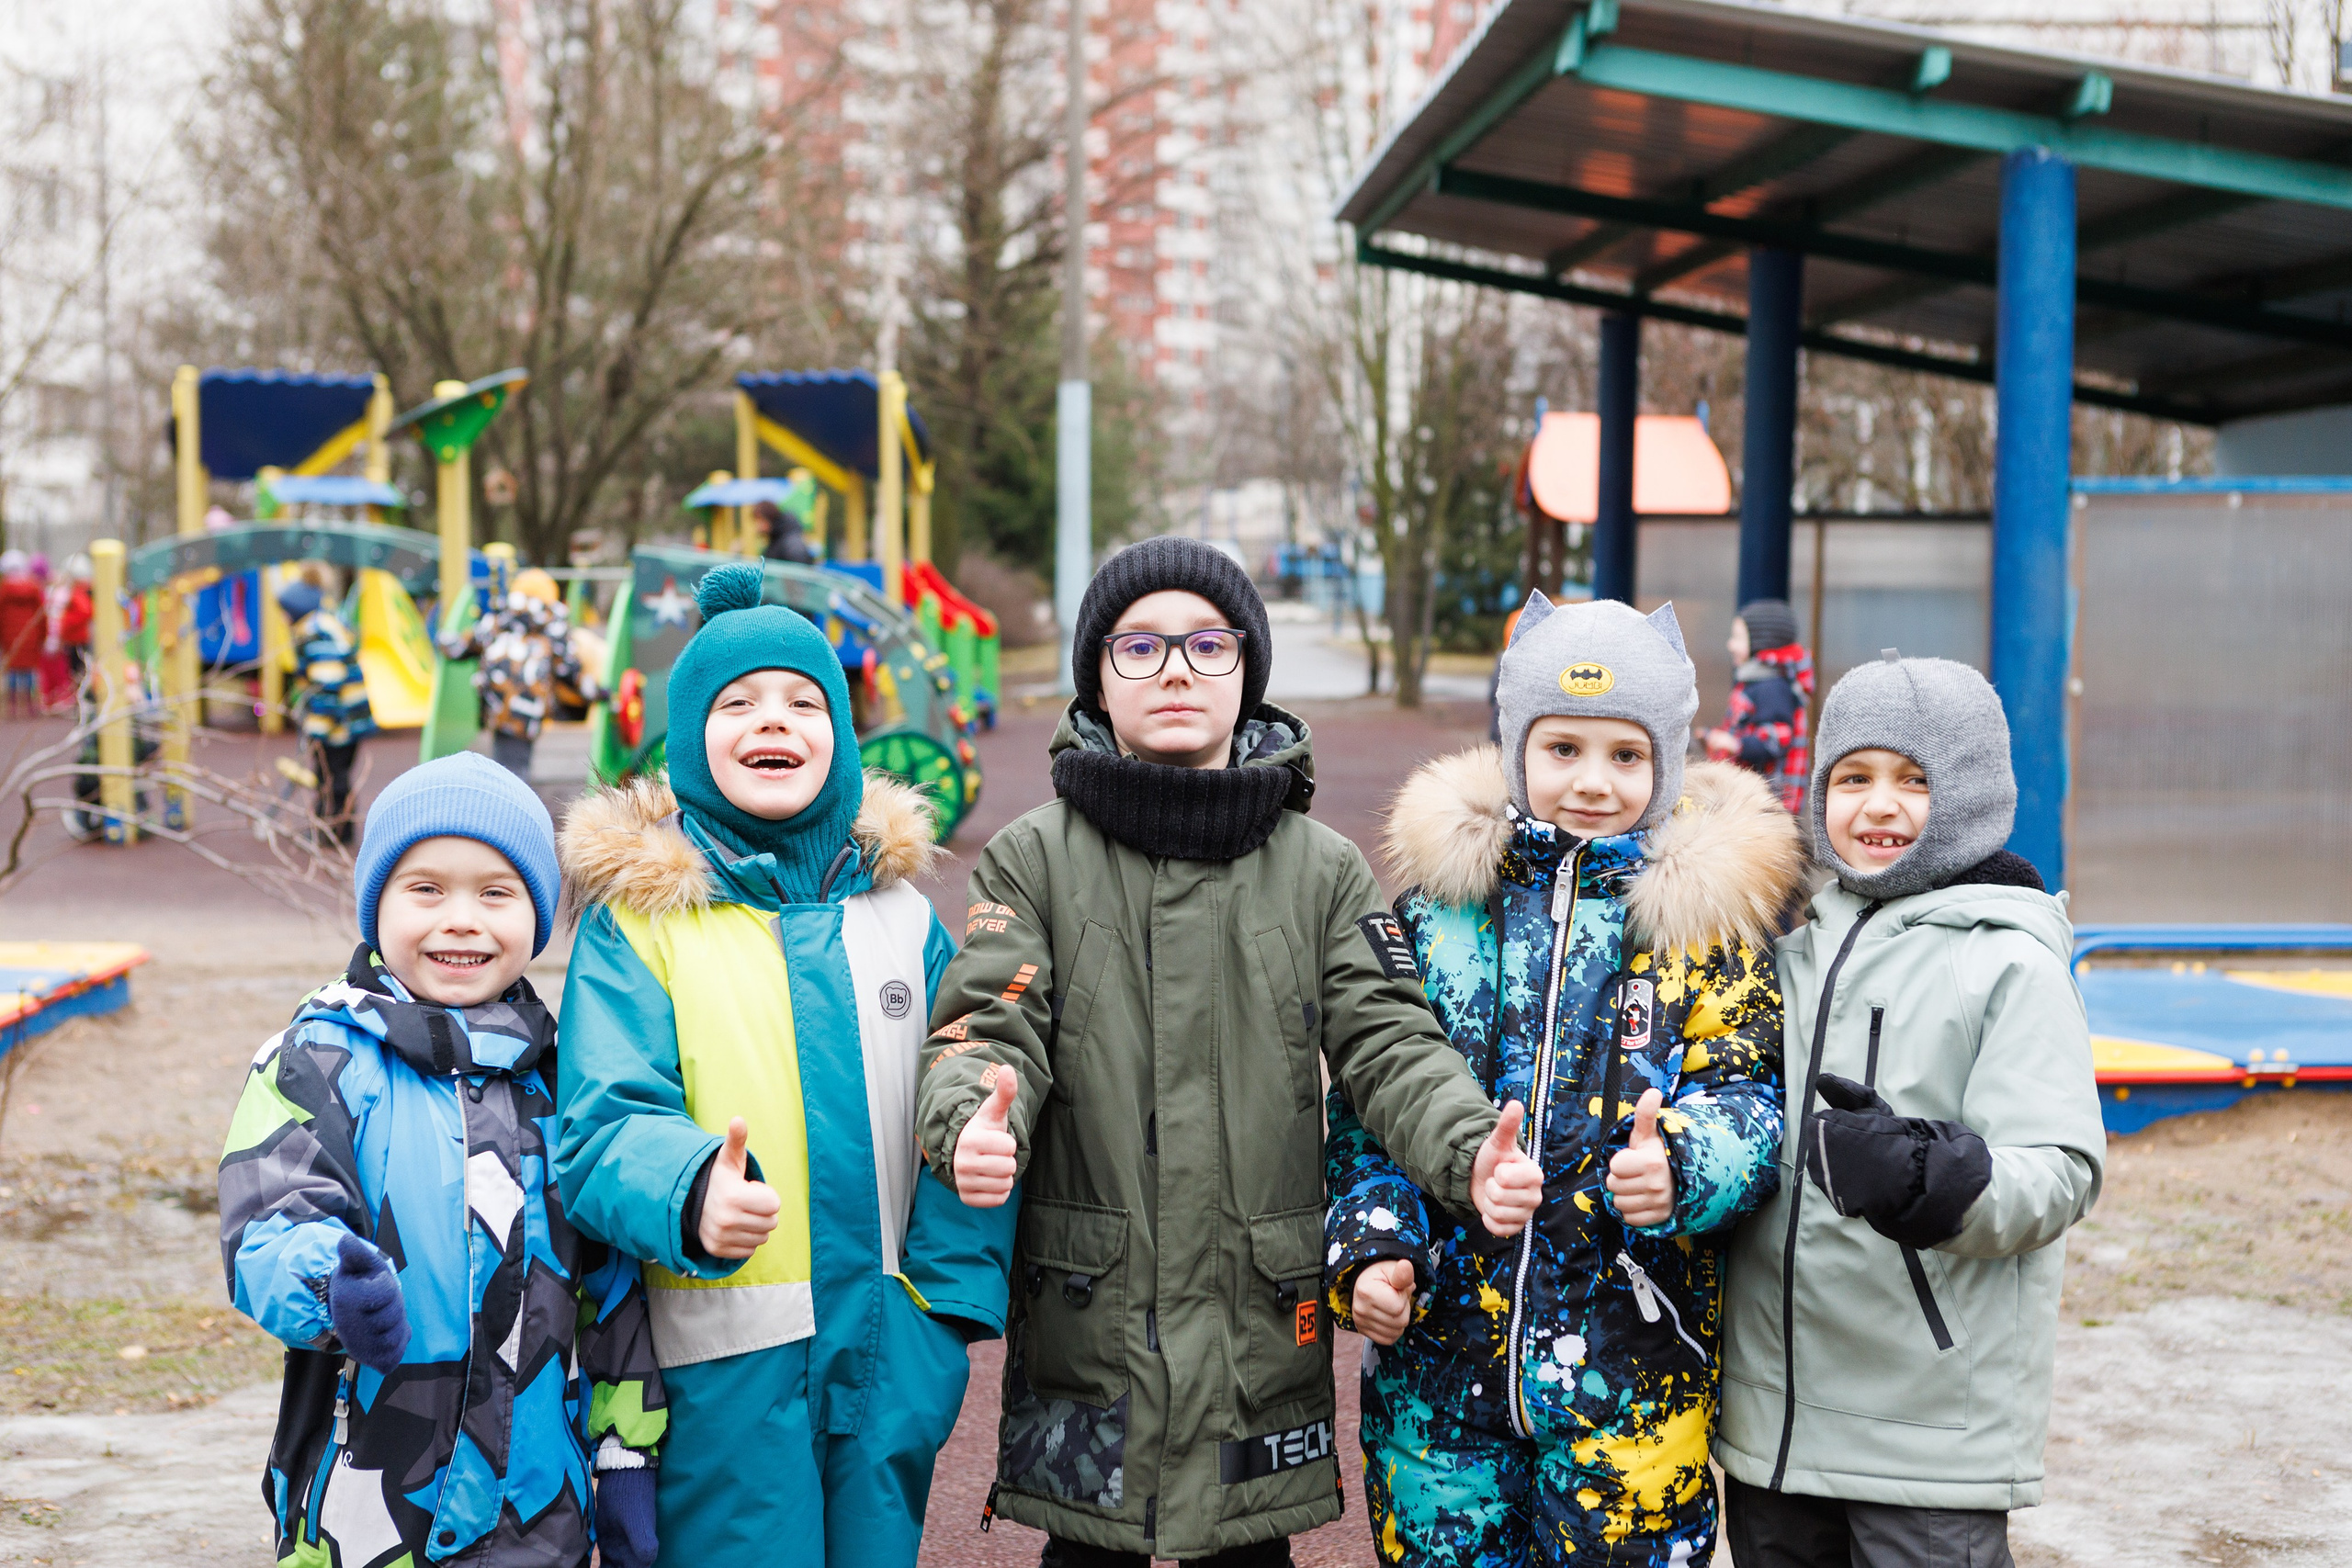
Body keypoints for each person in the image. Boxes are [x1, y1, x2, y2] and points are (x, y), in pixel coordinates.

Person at [915, 536, 1546, 1566]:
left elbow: (1389, 1038)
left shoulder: (1319, 870)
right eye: (1140, 647)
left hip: (1258, 1316)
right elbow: (989, 1021)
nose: (1175, 669)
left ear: (1247, 671)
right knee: (1086, 1552)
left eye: (1207, 645)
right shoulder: (1034, 858)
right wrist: (968, 1122)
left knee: (1249, 1552)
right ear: (1096, 679)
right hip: (1092, 1315)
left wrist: (1467, 1144)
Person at [1326, 593, 1804, 1568]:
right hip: (1439, 1381)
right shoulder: (1439, 916)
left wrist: (1684, 1164)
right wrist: (1372, 1250)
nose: (1591, 780)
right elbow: (1370, 1110)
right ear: (1516, 750)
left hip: (1635, 1382)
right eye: (1562, 748)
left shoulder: (1704, 928)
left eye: (1626, 754)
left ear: (1667, 763)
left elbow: (1751, 1096)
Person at [553, 563, 1012, 1568]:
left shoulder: (902, 919)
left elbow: (963, 1085)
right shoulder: (645, 926)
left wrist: (944, 1303)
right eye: (738, 703)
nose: (774, 719)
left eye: (805, 701)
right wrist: (688, 1193)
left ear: (841, 734)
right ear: (689, 742)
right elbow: (601, 1124)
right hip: (725, 1370)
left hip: (891, 1354)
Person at [218, 752, 667, 1568]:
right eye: (426, 889)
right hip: (363, 1513)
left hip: (537, 1513)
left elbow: (613, 1289)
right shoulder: (317, 1060)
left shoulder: (567, 1077)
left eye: (496, 893)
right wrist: (331, 1283)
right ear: (377, 906)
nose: (461, 919)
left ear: (535, 916)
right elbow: (267, 1225)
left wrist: (626, 1454)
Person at [1714, 652, 2106, 1567]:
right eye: (1853, 777)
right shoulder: (1785, 946)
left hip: (1926, 1435)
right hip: (1774, 1428)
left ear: (1969, 793)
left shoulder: (2008, 961)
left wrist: (1929, 1175)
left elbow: (2060, 1171)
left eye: (1914, 780)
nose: (1878, 805)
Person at [435, 566, 604, 782]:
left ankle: (505, 789)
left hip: (497, 704)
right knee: (516, 770)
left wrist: (443, 639)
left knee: (504, 762)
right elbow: (569, 671)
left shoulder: (499, 619)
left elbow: (462, 647)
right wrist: (599, 693)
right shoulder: (554, 626)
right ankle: (512, 796)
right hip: (528, 708)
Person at [277, 579, 375, 843]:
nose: (283, 618)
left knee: (333, 776)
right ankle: (328, 826)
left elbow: (327, 684)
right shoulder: (320, 626)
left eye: (285, 611)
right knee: (327, 775)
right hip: (344, 719)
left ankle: (336, 831)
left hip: (340, 722)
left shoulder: (317, 635)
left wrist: (317, 729)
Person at [1702, 598, 1812, 815]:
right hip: (1757, 797)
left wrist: (1735, 744)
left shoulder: (1772, 687)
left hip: (1769, 801)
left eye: (1738, 638)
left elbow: (1777, 737)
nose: (1730, 645)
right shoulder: (1756, 681)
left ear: (1761, 642)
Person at [0, 550, 43, 719]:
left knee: (12, 670)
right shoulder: (34, 588)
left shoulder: (4, 590)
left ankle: (12, 705)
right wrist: (42, 636)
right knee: (29, 671)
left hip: (9, 637)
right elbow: (42, 615)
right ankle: (31, 705)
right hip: (30, 636)